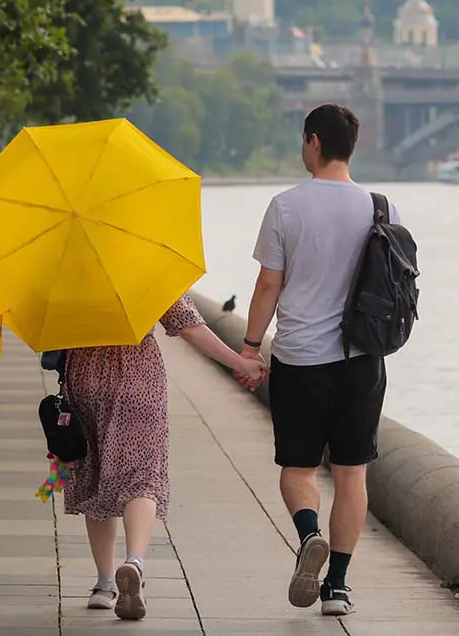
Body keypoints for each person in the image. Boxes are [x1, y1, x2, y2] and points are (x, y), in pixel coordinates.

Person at [239, 104, 398, 617]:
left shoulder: (286, 206)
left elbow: (269, 283)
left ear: (312, 141)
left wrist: (250, 346)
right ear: (353, 146)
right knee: (352, 474)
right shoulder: (381, 208)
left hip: (300, 358)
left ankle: (310, 536)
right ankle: (339, 587)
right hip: (361, 359)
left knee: (298, 469)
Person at [64, 295, 267, 621]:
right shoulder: (149, 273)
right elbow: (188, 325)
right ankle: (135, 562)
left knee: (97, 473)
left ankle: (104, 584)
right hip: (139, 377)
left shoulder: (70, 275)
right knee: (143, 475)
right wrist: (239, 362)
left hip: (85, 378)